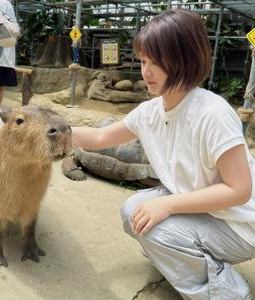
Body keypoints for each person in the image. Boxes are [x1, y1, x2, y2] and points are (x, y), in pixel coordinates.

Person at [72, 9, 255, 300]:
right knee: (133, 211)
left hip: (237, 224)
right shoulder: (151, 111)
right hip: (201, 206)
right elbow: (99, 137)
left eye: (156, 63)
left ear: (184, 59)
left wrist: (168, 205)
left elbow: (239, 190)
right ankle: (185, 263)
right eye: (144, 61)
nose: (146, 72)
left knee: (158, 229)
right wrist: (52, 130)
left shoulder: (212, 113)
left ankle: (228, 294)